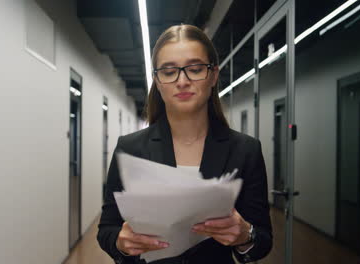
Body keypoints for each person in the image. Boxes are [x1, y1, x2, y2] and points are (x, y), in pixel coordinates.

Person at [97, 24, 272, 264]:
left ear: (213, 76)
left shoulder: (245, 150)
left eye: (195, 69)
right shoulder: (130, 148)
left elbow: (262, 240)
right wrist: (121, 243)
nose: (182, 81)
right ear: (158, 82)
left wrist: (245, 235)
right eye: (169, 72)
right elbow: (107, 229)